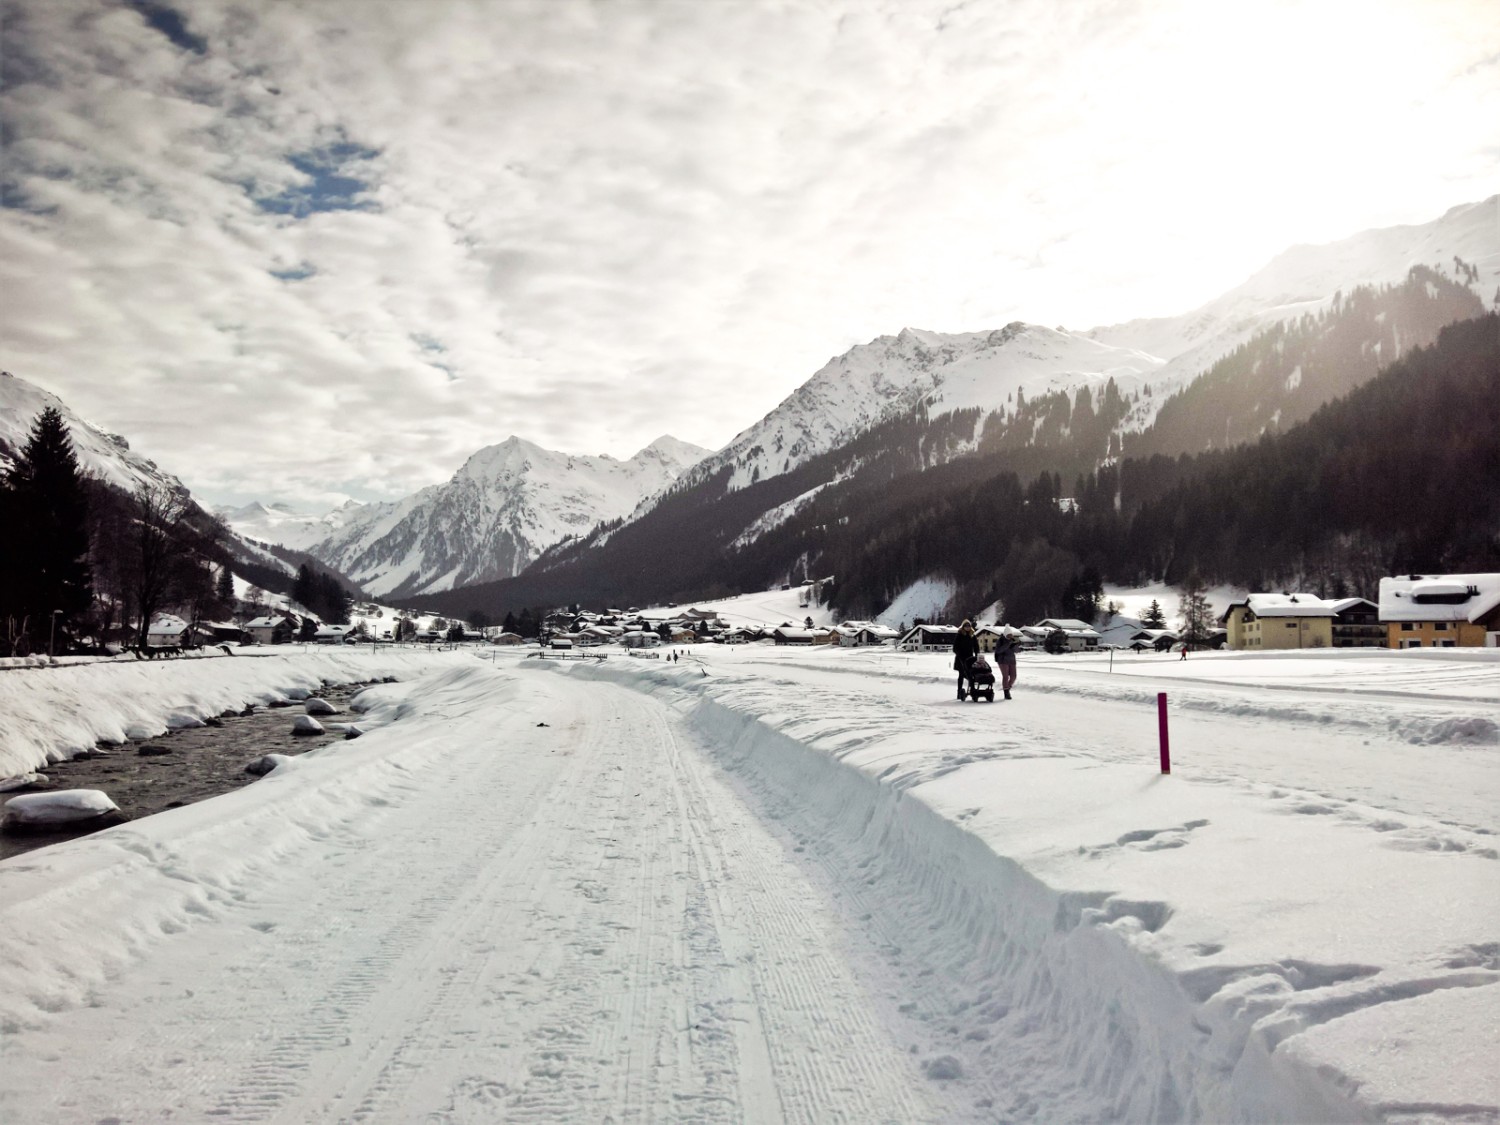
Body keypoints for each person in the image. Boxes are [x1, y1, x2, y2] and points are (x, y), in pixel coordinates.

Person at [951, 620, 979, 700]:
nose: (967, 628)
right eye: (966, 626)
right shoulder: (959, 635)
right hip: (961, 658)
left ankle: (972, 690)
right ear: (963, 627)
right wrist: (959, 654)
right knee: (961, 674)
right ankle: (959, 692)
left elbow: (976, 645)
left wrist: (977, 653)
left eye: (969, 626)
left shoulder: (972, 635)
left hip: (970, 658)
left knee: (970, 674)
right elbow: (955, 647)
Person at [993, 630, 1018, 700]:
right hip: (1003, 660)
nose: (1010, 636)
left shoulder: (1012, 640)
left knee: (1013, 676)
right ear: (1005, 635)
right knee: (1005, 676)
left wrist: (1015, 644)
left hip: (1012, 660)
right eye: (1008, 635)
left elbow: (1017, 650)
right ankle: (1006, 692)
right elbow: (998, 650)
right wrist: (1008, 644)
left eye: (1011, 635)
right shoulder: (1000, 640)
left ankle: (1008, 687)